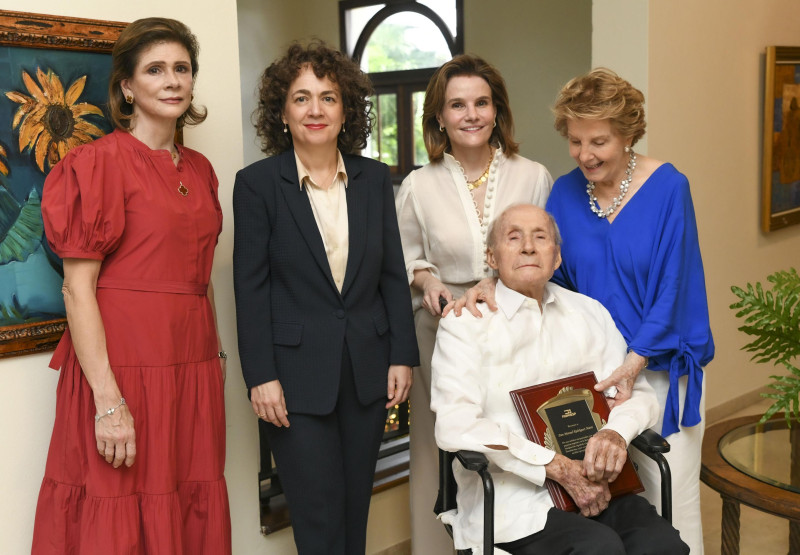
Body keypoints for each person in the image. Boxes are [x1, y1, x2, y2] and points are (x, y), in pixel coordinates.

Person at [452, 68, 715, 553]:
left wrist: (633, 364)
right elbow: (541, 264)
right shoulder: (565, 195)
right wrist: (491, 279)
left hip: (653, 368)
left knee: (670, 497)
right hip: (595, 377)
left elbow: (673, 287)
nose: (585, 154)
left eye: (599, 141)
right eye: (575, 141)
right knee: (616, 503)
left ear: (628, 134)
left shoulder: (668, 187)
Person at [31, 18, 231, 555]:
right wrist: (107, 402)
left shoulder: (202, 168)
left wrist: (215, 358)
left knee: (186, 501)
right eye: (155, 70)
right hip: (121, 369)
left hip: (190, 367)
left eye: (182, 69)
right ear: (127, 86)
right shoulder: (96, 165)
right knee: (117, 502)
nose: (172, 81)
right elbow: (78, 290)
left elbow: (201, 274)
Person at [233, 41, 419, 554]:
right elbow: (249, 289)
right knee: (317, 516)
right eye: (301, 98)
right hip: (292, 379)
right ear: (283, 112)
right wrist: (261, 377)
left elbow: (389, 272)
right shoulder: (257, 186)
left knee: (353, 509)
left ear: (345, 110)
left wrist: (402, 353)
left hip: (366, 369)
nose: (315, 109)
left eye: (328, 97)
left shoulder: (374, 179)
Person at [432, 203, 688, 555]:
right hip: (514, 496)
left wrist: (616, 433)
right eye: (513, 237)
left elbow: (638, 394)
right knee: (599, 550)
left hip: (598, 482)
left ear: (556, 257)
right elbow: (454, 425)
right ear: (491, 256)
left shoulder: (589, 313)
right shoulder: (464, 326)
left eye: (540, 237)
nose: (528, 247)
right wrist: (553, 466)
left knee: (663, 547)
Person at [395, 54, 552, 553]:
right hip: (439, 331)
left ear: (497, 109)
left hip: (514, 329)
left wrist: (501, 285)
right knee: (436, 450)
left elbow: (546, 256)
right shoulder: (417, 184)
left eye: (481, 103)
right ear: (439, 116)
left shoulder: (534, 175)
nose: (471, 115)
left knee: (517, 443)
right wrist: (427, 282)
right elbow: (405, 259)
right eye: (457, 104)